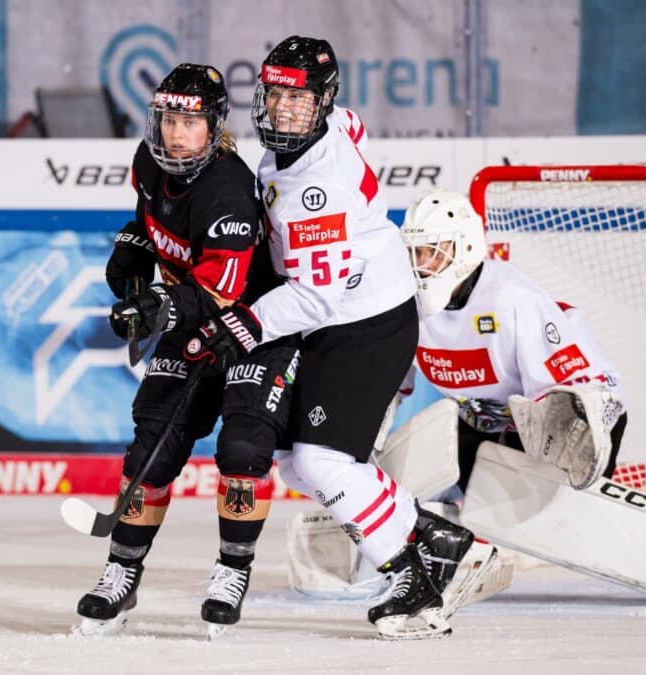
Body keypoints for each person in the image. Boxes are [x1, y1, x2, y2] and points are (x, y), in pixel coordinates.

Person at [178, 37, 495, 640]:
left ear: (321, 103)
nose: (284, 112)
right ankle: (434, 535)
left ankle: (412, 577)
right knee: (293, 462)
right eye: (276, 96)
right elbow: (356, 125)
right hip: (342, 316)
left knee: (324, 461)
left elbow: (313, 296)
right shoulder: (327, 130)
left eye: (300, 102)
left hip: (365, 324)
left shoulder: (315, 194)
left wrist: (238, 326)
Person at [384, 188, 646, 608]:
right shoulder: (405, 305)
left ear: (465, 250)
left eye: (432, 253)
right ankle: (432, 554)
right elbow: (387, 383)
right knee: (435, 480)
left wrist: (559, 475)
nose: (420, 266)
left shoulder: (513, 299)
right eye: (415, 253)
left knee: (573, 522)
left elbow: (569, 403)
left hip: (582, 417)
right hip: (491, 422)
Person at [75, 63, 299, 638]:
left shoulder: (227, 191)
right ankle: (120, 574)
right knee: (153, 445)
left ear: (215, 128)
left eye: (191, 123)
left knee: (244, 447)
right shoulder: (148, 164)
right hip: (189, 307)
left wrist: (156, 307)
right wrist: (135, 242)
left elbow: (216, 293)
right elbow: (154, 224)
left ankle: (232, 570)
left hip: (254, 323)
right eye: (169, 119)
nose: (177, 134)